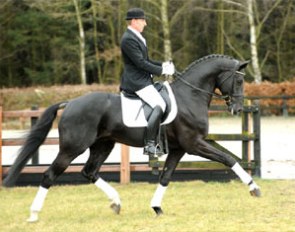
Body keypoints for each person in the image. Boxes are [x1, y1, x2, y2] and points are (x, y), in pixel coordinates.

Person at [120, 7, 175, 157]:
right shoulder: (128, 39)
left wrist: (163, 65)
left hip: (143, 79)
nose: (145, 23)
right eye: (143, 20)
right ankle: (150, 144)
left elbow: (146, 61)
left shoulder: (137, 37)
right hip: (136, 82)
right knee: (160, 104)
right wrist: (162, 71)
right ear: (134, 21)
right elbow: (140, 64)